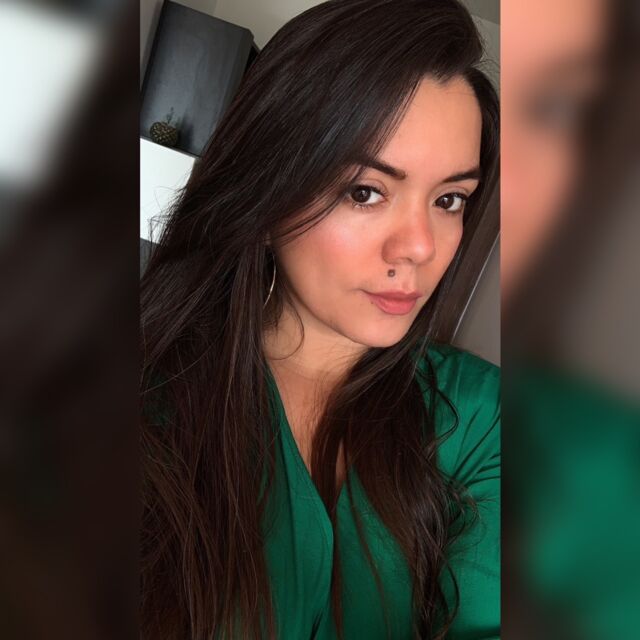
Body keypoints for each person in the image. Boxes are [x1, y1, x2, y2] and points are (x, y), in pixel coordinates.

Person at [140, 1, 499, 638]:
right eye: (365, 191)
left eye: (449, 199)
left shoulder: (476, 415)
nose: (420, 247)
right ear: (267, 192)